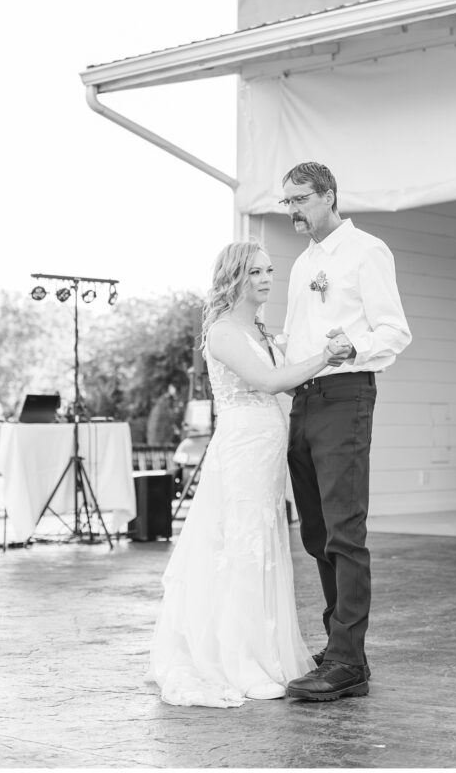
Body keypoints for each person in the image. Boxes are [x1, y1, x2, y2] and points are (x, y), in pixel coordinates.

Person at [147, 240, 351, 708]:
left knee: (264, 545)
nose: (266, 278)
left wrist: (328, 345)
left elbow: (283, 362)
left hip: (266, 449)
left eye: (269, 270)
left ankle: (264, 651)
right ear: (234, 277)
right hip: (241, 450)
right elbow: (270, 382)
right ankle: (236, 660)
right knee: (242, 547)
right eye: (255, 271)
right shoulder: (221, 332)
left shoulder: (258, 330)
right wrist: (325, 359)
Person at [278, 161, 412, 702]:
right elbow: (295, 336)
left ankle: (348, 661)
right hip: (303, 399)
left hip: (346, 394)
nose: (293, 211)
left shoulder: (367, 251)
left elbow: (395, 331)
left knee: (344, 531)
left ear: (329, 195)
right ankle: (340, 643)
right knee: (314, 533)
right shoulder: (301, 263)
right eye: (286, 202)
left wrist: (353, 347)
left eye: (301, 200)